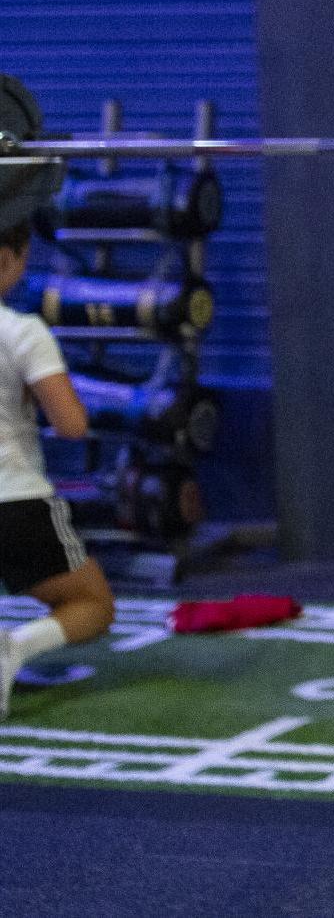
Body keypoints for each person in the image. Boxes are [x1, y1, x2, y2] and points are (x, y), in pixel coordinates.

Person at [0, 220, 117, 719]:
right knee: (92, 604)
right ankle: (14, 648)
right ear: (10, 258)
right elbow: (71, 425)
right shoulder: (23, 331)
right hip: (14, 498)